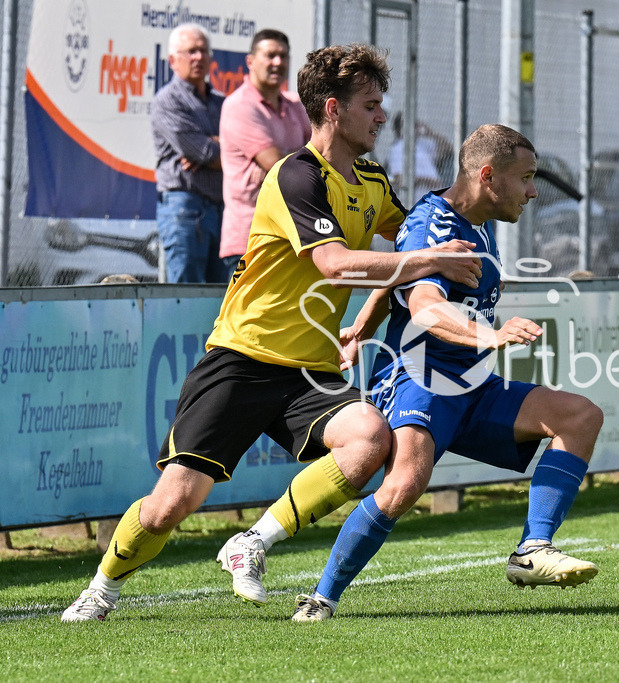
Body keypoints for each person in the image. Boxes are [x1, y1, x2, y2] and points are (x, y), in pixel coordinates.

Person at [61, 43, 483, 622]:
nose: (382, 116)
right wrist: (431, 262)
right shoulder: (296, 176)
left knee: (368, 438)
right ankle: (103, 585)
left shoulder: (372, 180)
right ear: (333, 109)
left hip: (308, 369)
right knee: (170, 506)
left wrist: (378, 307)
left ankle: (251, 543)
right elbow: (335, 264)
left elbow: (409, 248)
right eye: (371, 104)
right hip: (241, 358)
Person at [286, 124, 604, 621]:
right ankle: (321, 597)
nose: (533, 190)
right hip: (420, 377)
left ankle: (532, 550)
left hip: (472, 383)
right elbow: (427, 308)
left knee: (579, 416)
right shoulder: (435, 226)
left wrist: (365, 320)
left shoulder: (478, 217)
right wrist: (490, 337)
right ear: (487, 176)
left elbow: (400, 268)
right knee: (404, 484)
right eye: (525, 178)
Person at [219, 29, 312, 275]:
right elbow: (280, 166)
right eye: (270, 55)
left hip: (290, 237)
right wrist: (300, 156)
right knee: (247, 315)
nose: (278, 63)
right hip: (249, 241)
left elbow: (323, 154)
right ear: (250, 61)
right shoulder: (239, 106)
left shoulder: (295, 104)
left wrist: (293, 157)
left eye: (283, 56)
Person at [152, 24, 231, 284]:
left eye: (203, 51)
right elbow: (207, 153)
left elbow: (243, 149)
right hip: (184, 207)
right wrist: (219, 148)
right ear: (173, 60)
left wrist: (217, 146)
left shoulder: (223, 102)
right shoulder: (168, 101)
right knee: (185, 298)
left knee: (220, 300)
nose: (198, 57)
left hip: (221, 209)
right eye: (190, 51)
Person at [386, 112, 455, 203]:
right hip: (416, 200)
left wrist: (430, 132)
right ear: (399, 129)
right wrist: (427, 181)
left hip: (435, 197)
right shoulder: (398, 148)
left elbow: (448, 150)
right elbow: (399, 178)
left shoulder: (422, 143)